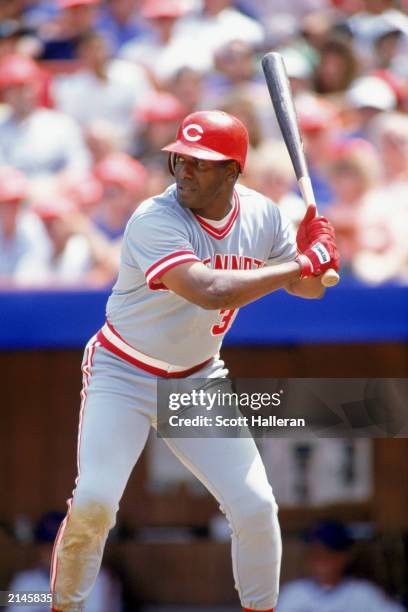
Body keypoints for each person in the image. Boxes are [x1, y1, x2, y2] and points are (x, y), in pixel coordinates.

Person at [50, 110, 339, 612]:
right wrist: (300, 262)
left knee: (256, 507)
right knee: (96, 500)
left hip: (196, 379)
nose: (183, 169)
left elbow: (309, 287)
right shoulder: (153, 218)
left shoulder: (263, 215)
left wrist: (319, 249)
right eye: (179, 158)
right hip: (124, 369)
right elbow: (208, 290)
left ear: (232, 171)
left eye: (200, 163)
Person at [276, 520, 405, 611]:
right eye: (315, 552)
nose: (321, 559)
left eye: (328, 552)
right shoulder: (292, 593)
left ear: (345, 556)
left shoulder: (363, 594)